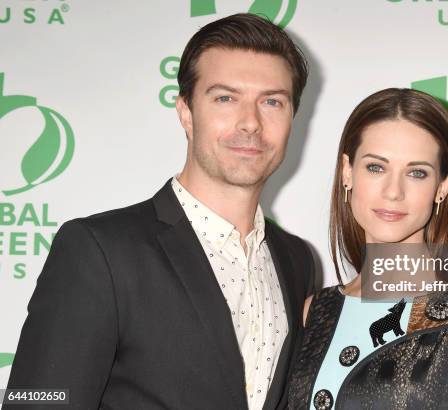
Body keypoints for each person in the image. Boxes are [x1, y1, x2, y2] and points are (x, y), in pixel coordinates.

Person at [5, 13, 314, 410]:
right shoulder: (99, 250)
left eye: (272, 101)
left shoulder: (296, 260)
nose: (251, 123)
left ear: (292, 118)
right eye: (225, 98)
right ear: (185, 112)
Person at [286, 88, 448, 409]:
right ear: (348, 172)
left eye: (416, 173)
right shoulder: (314, 313)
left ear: (443, 186)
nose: (393, 192)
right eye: (376, 167)